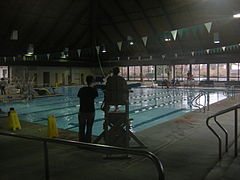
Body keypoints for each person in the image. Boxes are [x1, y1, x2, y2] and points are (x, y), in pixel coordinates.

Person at [77, 75, 98, 143]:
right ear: (93, 81)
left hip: (82, 111)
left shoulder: (81, 89)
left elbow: (79, 96)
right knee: (89, 128)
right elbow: (95, 96)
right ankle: (88, 142)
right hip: (90, 111)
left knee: (81, 128)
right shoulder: (93, 90)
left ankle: (81, 142)